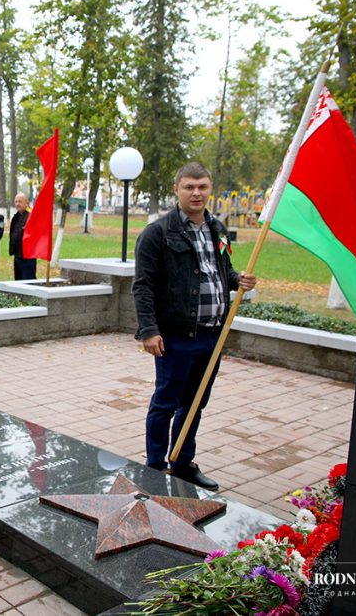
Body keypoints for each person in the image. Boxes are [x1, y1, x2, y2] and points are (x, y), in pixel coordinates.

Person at [132, 162, 257, 491]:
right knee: (166, 402)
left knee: (196, 401)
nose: (196, 192)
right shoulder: (158, 234)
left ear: (210, 187)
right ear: (177, 190)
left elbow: (221, 271)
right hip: (176, 336)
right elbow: (143, 285)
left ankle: (183, 461)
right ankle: (156, 466)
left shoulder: (218, 230)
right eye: (189, 186)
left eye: (202, 186)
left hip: (212, 336)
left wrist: (238, 279)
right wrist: (148, 329)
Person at [8, 193, 36, 281]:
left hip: (28, 257)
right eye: (16, 201)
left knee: (28, 282)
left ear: (26, 203)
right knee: (18, 282)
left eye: (20, 201)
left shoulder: (31, 216)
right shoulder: (16, 217)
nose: (17, 204)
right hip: (17, 255)